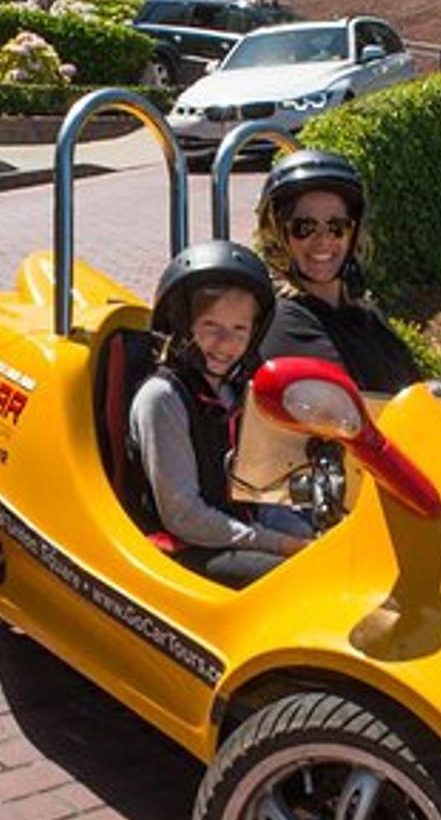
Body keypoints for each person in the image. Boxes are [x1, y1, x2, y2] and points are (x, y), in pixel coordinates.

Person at [128, 242, 309, 587]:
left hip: (235, 534)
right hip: (182, 545)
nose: (225, 343)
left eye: (239, 330)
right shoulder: (163, 399)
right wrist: (281, 544)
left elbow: (261, 492)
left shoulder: (234, 391)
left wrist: (307, 536)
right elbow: (183, 516)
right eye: (211, 326)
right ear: (184, 325)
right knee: (294, 584)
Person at [254, 150, 421, 394]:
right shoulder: (284, 323)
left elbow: (418, 395)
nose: (323, 240)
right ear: (280, 236)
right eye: (305, 227)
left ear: (353, 233)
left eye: (337, 227)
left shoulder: (365, 316)